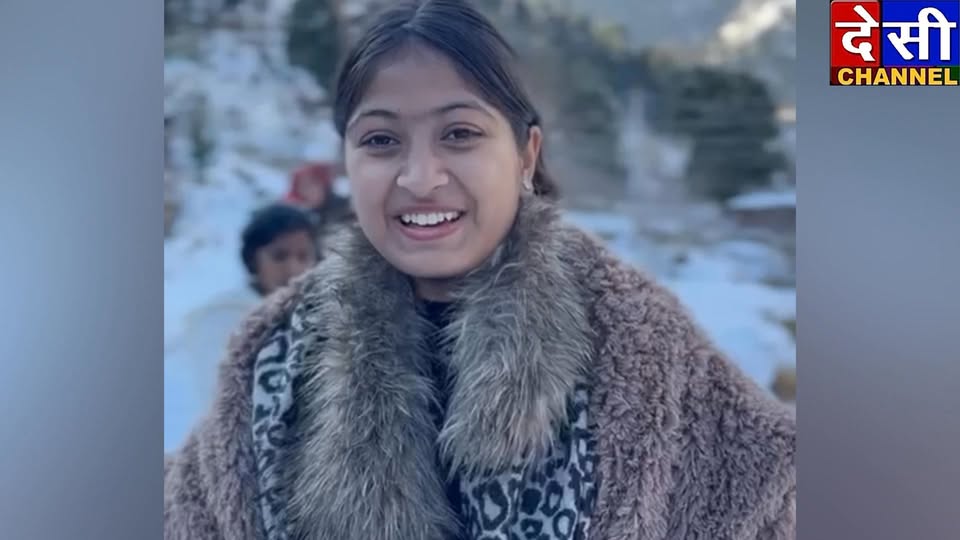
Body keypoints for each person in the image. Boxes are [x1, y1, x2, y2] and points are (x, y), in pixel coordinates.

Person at [163, 1, 795, 539]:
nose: (420, 178)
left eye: (460, 134)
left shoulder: (639, 344)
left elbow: (763, 489)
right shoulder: (271, 357)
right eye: (380, 141)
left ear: (526, 155)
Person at [163, 203, 319, 451]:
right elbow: (225, 400)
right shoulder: (222, 318)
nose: (293, 269)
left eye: (303, 257)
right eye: (279, 256)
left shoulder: (321, 315)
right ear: (253, 259)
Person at [284, 160, 355, 246]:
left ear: (323, 184)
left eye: (309, 185)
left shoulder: (346, 209)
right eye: (301, 188)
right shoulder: (310, 216)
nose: (306, 192)